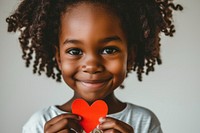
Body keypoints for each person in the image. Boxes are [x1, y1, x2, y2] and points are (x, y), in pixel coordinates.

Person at [6, 0, 183, 133]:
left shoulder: (144, 122)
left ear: (130, 56)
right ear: (58, 57)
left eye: (109, 50)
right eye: (75, 51)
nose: (91, 66)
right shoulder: (39, 123)